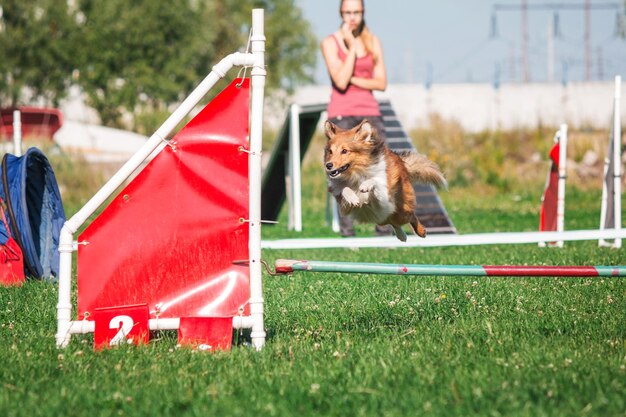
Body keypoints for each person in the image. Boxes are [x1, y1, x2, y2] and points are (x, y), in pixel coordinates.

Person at [321, 0, 391, 237]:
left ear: (363, 13)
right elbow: (339, 82)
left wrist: (352, 78)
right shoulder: (330, 43)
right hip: (342, 113)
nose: (352, 17)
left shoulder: (373, 42)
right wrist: (351, 47)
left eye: (356, 12)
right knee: (340, 175)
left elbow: (381, 83)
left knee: (379, 170)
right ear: (341, 13)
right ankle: (348, 234)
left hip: (370, 113)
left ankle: (382, 230)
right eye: (348, 12)